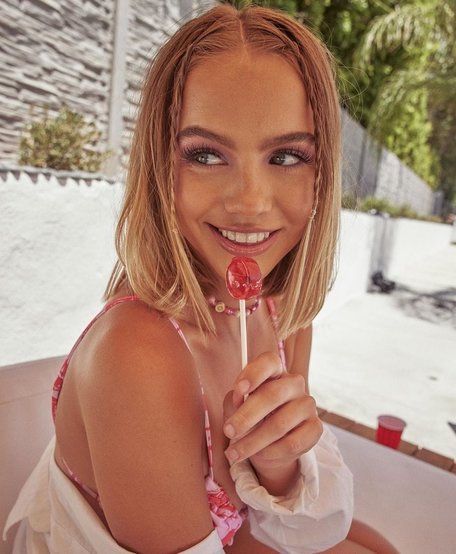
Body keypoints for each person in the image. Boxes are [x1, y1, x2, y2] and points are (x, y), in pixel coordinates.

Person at [4, 4, 399, 553]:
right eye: (207, 155)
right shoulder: (136, 356)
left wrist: (279, 467)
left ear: (321, 175)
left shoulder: (283, 315)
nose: (249, 203)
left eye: (287, 156)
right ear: (159, 167)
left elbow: (269, 512)